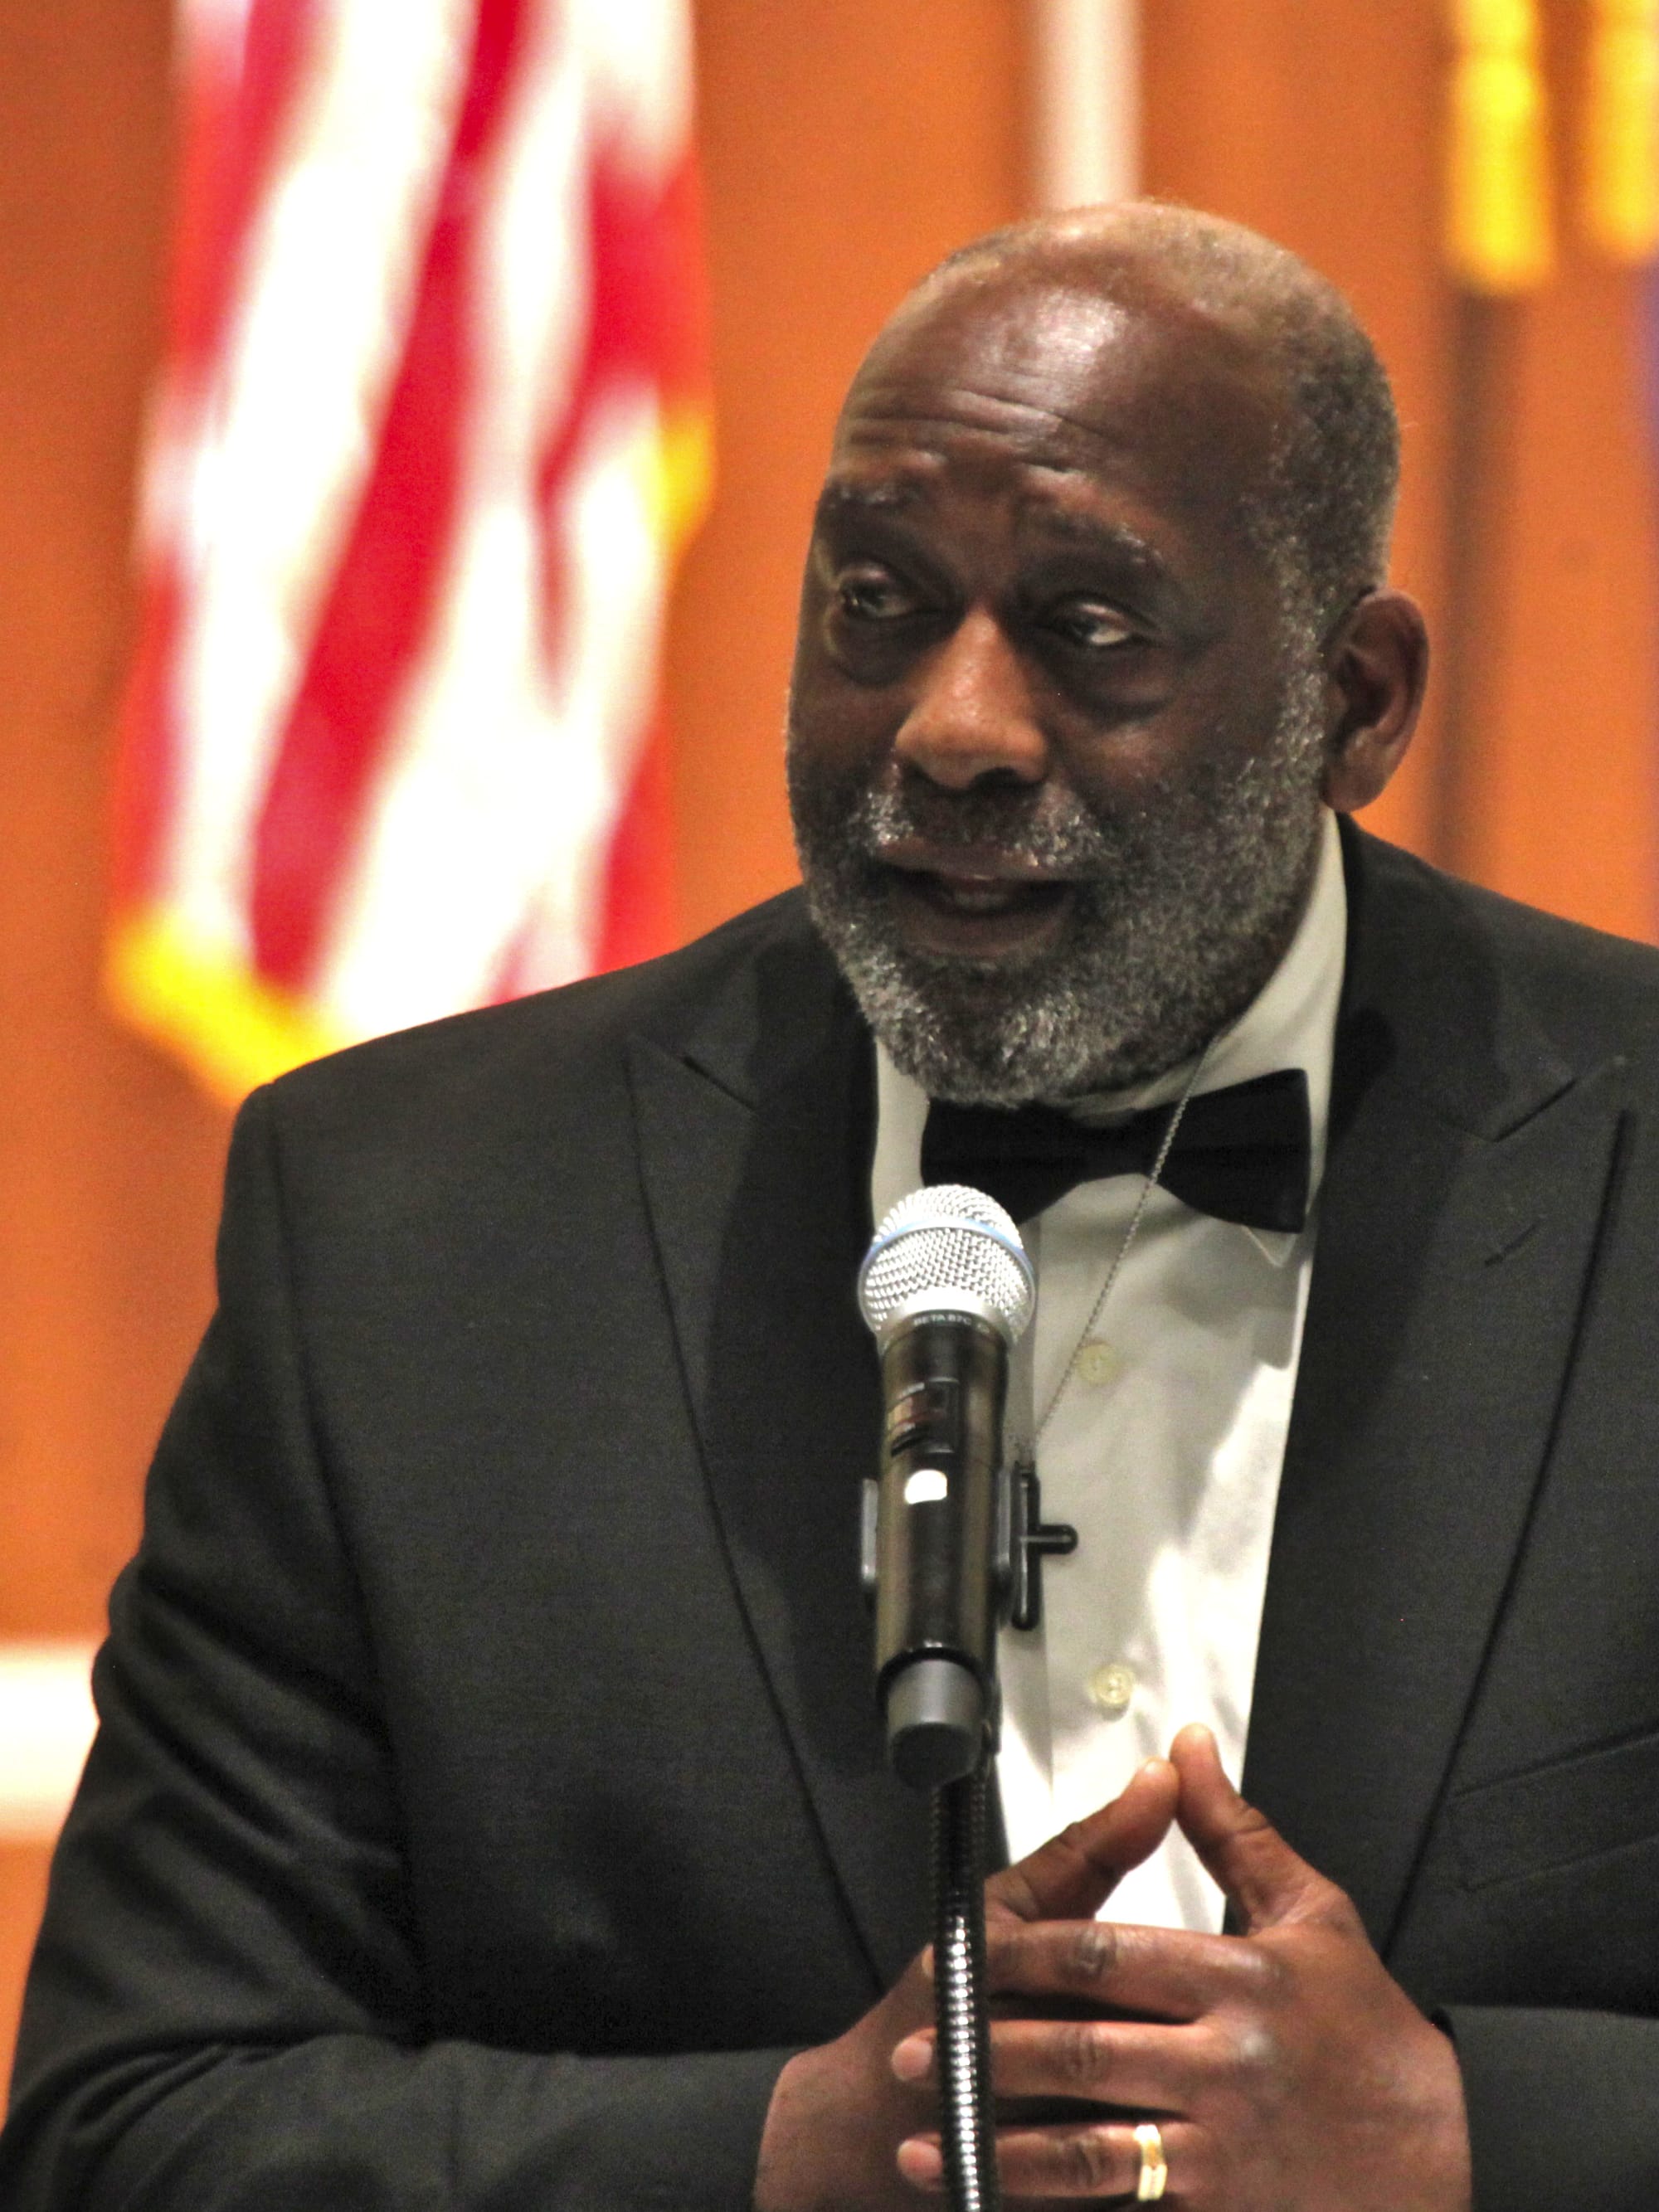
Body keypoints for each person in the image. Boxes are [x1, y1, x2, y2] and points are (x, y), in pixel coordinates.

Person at [5, 202, 1659, 2211]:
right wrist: (776, 2152)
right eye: (878, 600)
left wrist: (1473, 2136)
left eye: (1090, 625)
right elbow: (133, 2127)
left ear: (1356, 702)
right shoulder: (398, 1233)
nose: (953, 728)